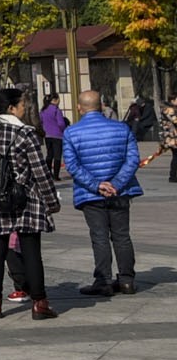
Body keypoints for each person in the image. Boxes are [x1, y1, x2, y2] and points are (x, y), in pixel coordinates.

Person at [0, 86, 61, 320]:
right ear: (12, 108)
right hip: (26, 198)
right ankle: (39, 304)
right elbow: (40, 170)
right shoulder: (25, 133)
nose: (25, 109)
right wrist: (51, 201)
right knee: (32, 252)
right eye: (22, 105)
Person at [62, 89, 141, 296]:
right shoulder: (122, 128)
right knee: (122, 236)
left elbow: (72, 165)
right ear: (101, 106)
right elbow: (132, 159)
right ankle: (126, 280)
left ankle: (104, 281)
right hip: (120, 192)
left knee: (99, 237)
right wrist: (116, 183)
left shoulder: (72, 132)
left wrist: (97, 185)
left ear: (79, 108)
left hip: (90, 194)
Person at [37, 93, 67, 181]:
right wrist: (64, 129)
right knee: (57, 156)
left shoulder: (43, 110)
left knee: (49, 154)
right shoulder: (56, 110)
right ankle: (56, 175)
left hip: (47, 135)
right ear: (55, 100)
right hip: (57, 135)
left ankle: (48, 173)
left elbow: (41, 122)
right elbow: (61, 123)